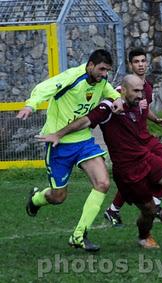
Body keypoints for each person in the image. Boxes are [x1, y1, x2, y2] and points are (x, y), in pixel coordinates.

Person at [37, 74, 162, 249]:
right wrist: (58, 134)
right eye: (136, 91)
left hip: (146, 158)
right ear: (123, 90)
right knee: (149, 210)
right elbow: (84, 121)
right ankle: (144, 236)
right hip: (127, 172)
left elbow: (144, 109)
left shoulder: (137, 102)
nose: (140, 96)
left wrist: (155, 120)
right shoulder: (108, 107)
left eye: (142, 91)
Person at [17, 49, 124, 251]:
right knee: (58, 197)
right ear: (90, 65)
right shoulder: (72, 77)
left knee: (102, 183)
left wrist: (117, 98)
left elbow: (111, 91)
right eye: (101, 69)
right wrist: (30, 106)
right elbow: (44, 88)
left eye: (107, 70)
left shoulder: (101, 81)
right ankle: (36, 199)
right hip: (59, 143)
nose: (104, 74)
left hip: (83, 142)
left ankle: (79, 235)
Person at [103, 47, 162, 229]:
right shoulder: (122, 89)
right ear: (130, 65)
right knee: (137, 177)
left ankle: (150, 204)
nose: (140, 65)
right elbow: (114, 102)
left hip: (146, 137)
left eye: (143, 61)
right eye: (136, 62)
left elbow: (143, 109)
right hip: (134, 142)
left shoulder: (147, 87)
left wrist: (156, 120)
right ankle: (122, 209)